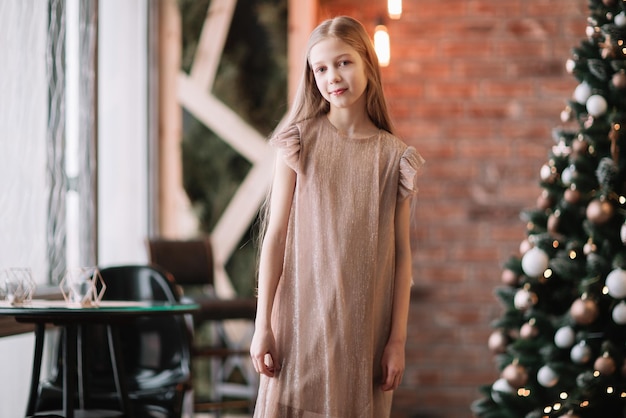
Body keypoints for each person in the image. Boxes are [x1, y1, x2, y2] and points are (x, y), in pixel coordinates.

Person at [250, 15, 424, 418]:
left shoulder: (394, 158)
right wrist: (263, 326)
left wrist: (397, 340)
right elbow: (275, 238)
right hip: (300, 325)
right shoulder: (298, 143)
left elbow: (402, 257)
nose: (333, 77)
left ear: (367, 62)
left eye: (344, 62)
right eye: (321, 68)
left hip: (364, 331)